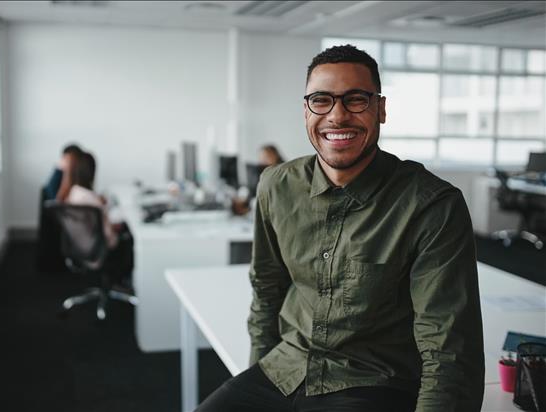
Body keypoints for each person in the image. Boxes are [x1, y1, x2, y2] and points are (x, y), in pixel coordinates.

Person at [196, 45, 484, 412]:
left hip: (371, 384)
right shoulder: (277, 186)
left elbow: (449, 348)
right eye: (322, 100)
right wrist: (257, 377)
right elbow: (267, 290)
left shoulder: (430, 204)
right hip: (284, 370)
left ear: (381, 109)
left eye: (356, 100)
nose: (337, 115)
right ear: (306, 111)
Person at [66, 151, 133, 287]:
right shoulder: (91, 199)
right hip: (101, 251)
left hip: (81, 248)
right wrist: (118, 226)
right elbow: (108, 234)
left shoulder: (74, 193)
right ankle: (125, 282)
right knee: (130, 235)